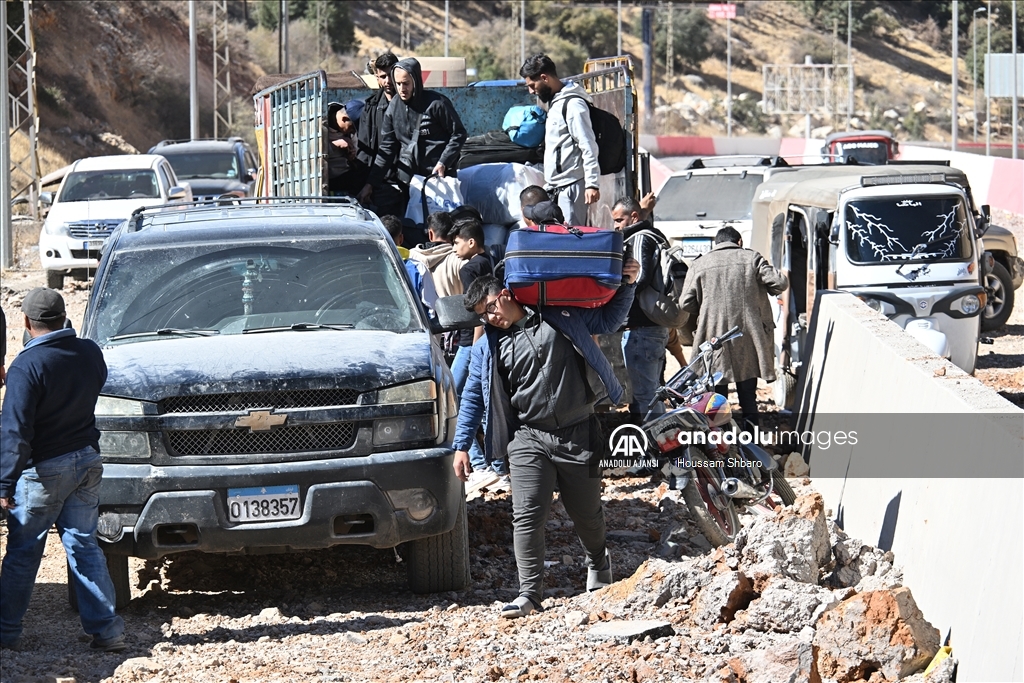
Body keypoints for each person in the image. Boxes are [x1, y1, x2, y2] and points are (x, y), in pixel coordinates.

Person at [452, 260, 639, 619]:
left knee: (586, 514)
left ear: (506, 294)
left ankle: (599, 563)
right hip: (527, 436)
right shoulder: (487, 346)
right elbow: (474, 394)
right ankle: (528, 594)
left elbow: (609, 321)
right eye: (482, 315)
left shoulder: (558, 315)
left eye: (491, 306)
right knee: (526, 514)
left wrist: (628, 283)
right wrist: (462, 445)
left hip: (577, 431)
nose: (490, 317)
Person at [0, 288, 126, 653]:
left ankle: (6, 633)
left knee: (24, 553)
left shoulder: (27, 365)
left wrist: (5, 482)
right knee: (85, 546)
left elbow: (15, 431)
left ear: (25, 322)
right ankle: (108, 632)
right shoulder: (89, 352)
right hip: (86, 461)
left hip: (43, 472)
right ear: (63, 316)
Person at [680, 227, 788, 430]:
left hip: (713, 338)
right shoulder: (752, 258)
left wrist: (707, 309)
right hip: (748, 339)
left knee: (716, 400)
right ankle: (752, 445)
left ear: (716, 244)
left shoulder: (700, 264)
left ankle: (722, 448)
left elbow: (685, 302)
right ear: (739, 242)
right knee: (748, 396)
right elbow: (780, 283)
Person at [359, 58, 468, 219]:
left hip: (437, 179)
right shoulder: (394, 107)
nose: (402, 89)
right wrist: (370, 184)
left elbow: (458, 134)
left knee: (442, 228)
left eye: (406, 83)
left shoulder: (437, 104)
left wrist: (443, 162)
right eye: (398, 84)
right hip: (409, 183)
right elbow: (387, 148)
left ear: (416, 81)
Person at [612, 196, 676, 417]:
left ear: (634, 217)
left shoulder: (639, 239)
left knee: (646, 396)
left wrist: (619, 293)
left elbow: (641, 277)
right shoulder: (656, 236)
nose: (615, 226)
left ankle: (660, 444)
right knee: (652, 393)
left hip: (642, 331)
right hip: (654, 328)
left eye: (619, 220)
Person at [519, 54, 600, 227]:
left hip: (571, 186)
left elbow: (588, 144)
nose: (531, 91)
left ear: (544, 78)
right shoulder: (556, 103)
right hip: (557, 187)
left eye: (533, 85)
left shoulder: (573, 105)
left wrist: (592, 183)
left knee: (570, 239)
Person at [379, 215, 438, 315]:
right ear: (401, 239)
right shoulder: (418, 269)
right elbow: (431, 309)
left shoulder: (362, 265)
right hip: (411, 328)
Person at [356, 52, 400, 171]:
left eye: (391, 75)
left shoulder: (410, 105)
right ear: (377, 78)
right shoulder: (371, 107)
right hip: (381, 177)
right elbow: (364, 147)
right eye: (383, 77)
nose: (388, 81)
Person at [408, 211, 466, 298]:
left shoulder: (411, 256)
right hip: (452, 311)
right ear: (454, 234)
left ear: (430, 234)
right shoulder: (460, 259)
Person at [327, 100, 368, 196]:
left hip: (346, 175)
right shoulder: (320, 125)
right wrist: (334, 145)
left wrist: (352, 155)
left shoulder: (350, 133)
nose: (352, 132)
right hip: (326, 179)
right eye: (352, 128)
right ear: (344, 119)